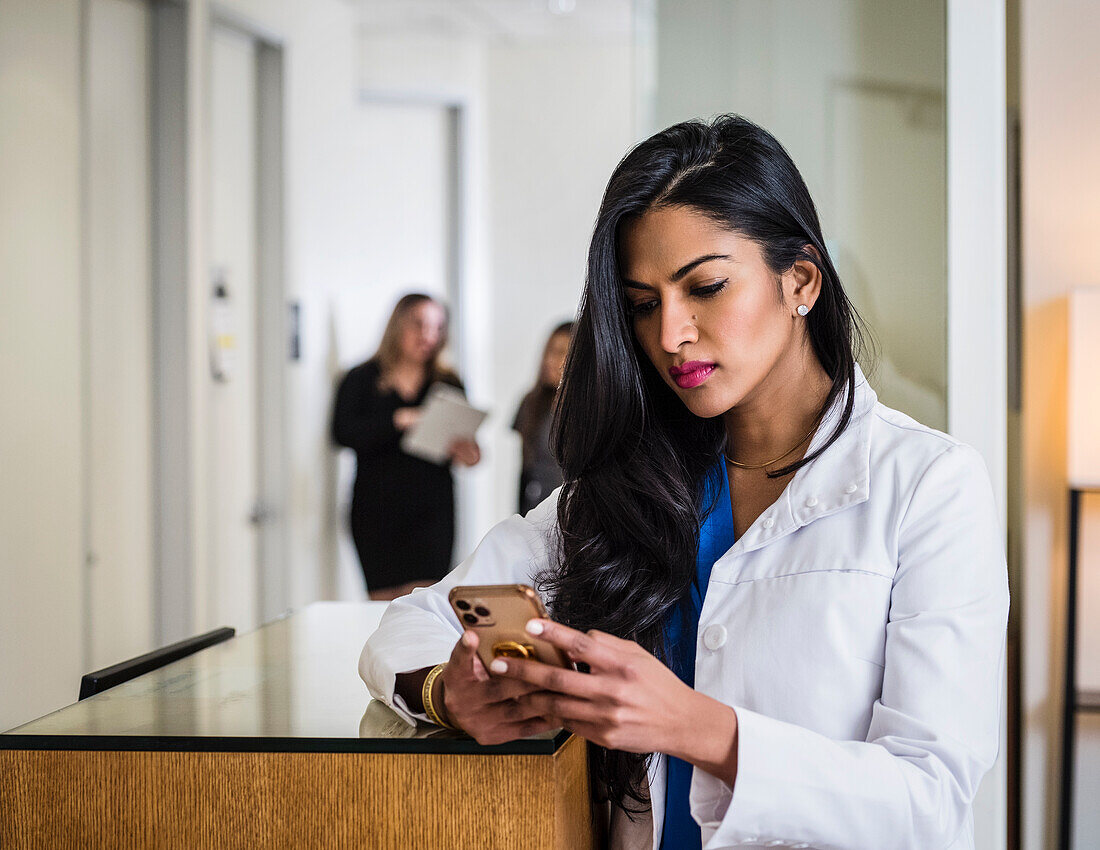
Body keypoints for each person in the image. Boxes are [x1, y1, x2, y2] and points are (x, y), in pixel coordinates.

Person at [358, 117, 1009, 849]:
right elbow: (412, 624)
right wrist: (448, 694)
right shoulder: (626, 490)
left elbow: (932, 798)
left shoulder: (928, 486)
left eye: (705, 287)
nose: (670, 335)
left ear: (801, 279)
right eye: (642, 303)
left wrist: (695, 727)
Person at [332, 293, 480, 601]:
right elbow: (343, 433)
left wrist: (469, 453)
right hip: (377, 510)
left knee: (425, 605)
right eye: (419, 325)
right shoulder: (361, 378)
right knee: (382, 609)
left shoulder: (448, 381)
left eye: (438, 328)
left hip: (432, 512)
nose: (428, 336)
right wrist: (398, 419)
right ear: (398, 325)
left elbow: (466, 444)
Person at [512, 321, 573, 515]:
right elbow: (525, 467)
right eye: (550, 351)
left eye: (560, 352)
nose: (550, 360)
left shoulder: (591, 410)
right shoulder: (531, 402)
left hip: (571, 510)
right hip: (535, 508)